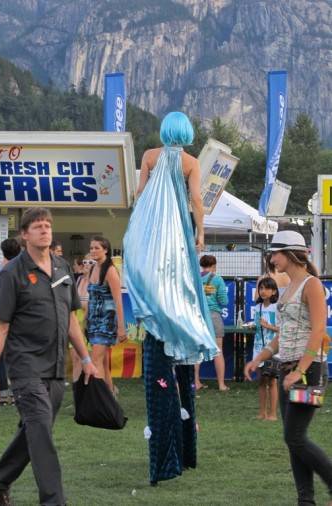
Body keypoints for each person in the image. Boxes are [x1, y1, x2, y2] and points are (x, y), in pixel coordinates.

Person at [123, 111, 218, 485]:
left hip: (150, 238)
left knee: (153, 283)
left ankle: (159, 319)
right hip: (176, 237)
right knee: (180, 285)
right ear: (187, 133)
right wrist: (201, 231)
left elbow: (140, 193)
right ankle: (180, 324)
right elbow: (196, 200)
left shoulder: (149, 156)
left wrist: (143, 222)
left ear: (164, 132)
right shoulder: (191, 163)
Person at [0, 207, 97, 506]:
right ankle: (54, 501)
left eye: (47, 225)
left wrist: (85, 359)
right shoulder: (11, 274)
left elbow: (71, 319)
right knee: (41, 432)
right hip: (25, 367)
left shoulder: (61, 268)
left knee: (34, 429)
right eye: (37, 226)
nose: (45, 230)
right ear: (24, 234)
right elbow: (0, 327)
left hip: (56, 367)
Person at [245, 230, 332, 506]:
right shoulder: (288, 287)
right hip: (287, 368)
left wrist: (300, 370)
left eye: (275, 253)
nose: (272, 259)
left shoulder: (312, 285)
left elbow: (318, 331)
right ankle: (305, 501)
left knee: (294, 437)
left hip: (309, 370)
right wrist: (261, 357)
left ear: (291, 253)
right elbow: (284, 334)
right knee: (294, 440)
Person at [87, 237, 126, 393]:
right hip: (93, 320)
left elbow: (118, 301)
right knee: (102, 362)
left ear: (105, 250)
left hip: (106, 320)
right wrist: (86, 321)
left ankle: (100, 399)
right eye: (91, 248)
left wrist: (121, 328)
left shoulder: (110, 270)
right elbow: (90, 297)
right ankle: (110, 396)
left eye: (97, 248)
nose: (93, 251)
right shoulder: (92, 268)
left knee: (96, 360)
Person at [195, 254, 229, 391]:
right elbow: (224, 301)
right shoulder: (217, 279)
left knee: (197, 351)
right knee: (218, 351)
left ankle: (196, 382)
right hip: (214, 316)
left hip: (197, 317)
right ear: (214, 265)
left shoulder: (195, 278)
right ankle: (221, 384)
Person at [0, 238, 21, 405]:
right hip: (19, 320)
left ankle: (4, 392)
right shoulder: (24, 269)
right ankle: (16, 393)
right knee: (17, 357)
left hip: (2, 317)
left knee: (0, 357)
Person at [252, 277, 279, 420]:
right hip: (258, 349)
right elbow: (257, 326)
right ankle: (262, 412)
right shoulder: (257, 307)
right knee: (261, 381)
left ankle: (273, 413)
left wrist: (268, 326)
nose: (263, 291)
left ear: (274, 291)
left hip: (273, 350)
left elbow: (282, 329)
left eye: (267, 288)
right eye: (261, 288)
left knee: (272, 381)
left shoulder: (277, 307)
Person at [70, 255, 95, 382]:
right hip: (77, 320)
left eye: (89, 262)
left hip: (88, 323)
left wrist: (83, 322)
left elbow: (90, 305)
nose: (85, 264)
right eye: (84, 261)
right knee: (75, 358)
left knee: (88, 360)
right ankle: (77, 391)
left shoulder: (94, 281)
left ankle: (107, 389)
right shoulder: (79, 279)